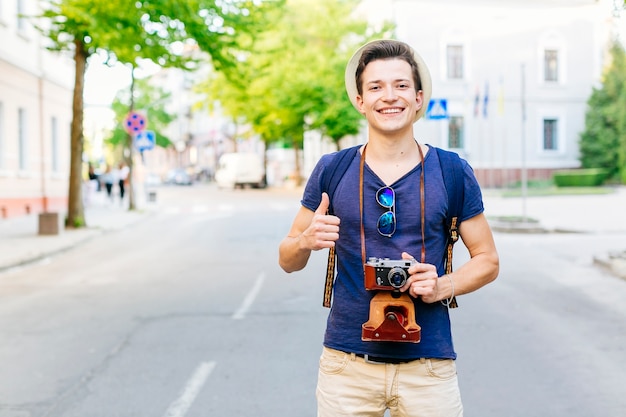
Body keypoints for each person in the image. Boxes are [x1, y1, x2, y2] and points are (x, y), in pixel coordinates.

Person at [278, 39, 499, 417]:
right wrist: (306, 240)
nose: (388, 97)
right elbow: (287, 259)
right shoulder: (333, 170)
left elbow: (488, 259)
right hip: (347, 368)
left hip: (428, 369)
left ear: (418, 97)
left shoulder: (451, 171)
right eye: (375, 87)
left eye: (400, 85)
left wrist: (443, 285)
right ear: (361, 101)